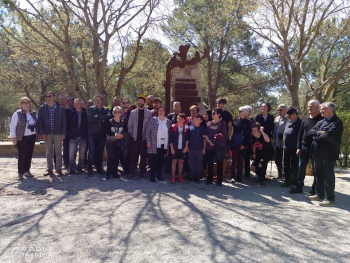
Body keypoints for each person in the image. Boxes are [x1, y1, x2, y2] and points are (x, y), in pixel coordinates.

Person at [308, 102, 343, 206]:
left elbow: (327, 137)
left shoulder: (337, 122)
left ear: (330, 110)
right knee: (318, 174)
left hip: (328, 154)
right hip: (317, 152)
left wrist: (317, 135)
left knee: (328, 176)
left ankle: (330, 199)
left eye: (323, 109)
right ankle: (320, 195)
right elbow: (310, 132)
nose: (320, 111)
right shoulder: (321, 121)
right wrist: (319, 133)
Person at [290, 100, 323, 194]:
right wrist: (298, 147)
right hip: (304, 147)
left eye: (311, 106)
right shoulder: (305, 118)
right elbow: (300, 134)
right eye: (308, 106)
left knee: (315, 169)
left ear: (317, 107)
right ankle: (299, 187)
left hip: (316, 148)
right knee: (301, 167)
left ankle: (314, 189)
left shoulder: (322, 119)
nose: (309, 108)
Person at [38, 91, 67, 177]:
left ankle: (59, 169)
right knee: (49, 152)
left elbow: (64, 122)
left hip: (58, 133)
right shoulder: (43, 108)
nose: (48, 98)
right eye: (46, 96)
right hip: (47, 133)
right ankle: (50, 169)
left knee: (58, 152)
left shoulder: (60, 107)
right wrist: (42, 133)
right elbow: (40, 122)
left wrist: (63, 133)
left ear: (54, 97)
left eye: (50, 96)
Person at [10, 97, 38, 180]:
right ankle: (21, 172)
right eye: (23, 102)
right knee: (22, 155)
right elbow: (13, 126)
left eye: (27, 102)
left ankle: (27, 170)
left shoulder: (33, 113)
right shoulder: (17, 114)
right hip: (21, 137)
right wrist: (13, 137)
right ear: (21, 104)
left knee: (29, 154)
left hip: (32, 136)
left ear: (29, 103)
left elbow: (37, 123)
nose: (25, 104)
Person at [128, 94, 152, 179]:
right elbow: (129, 125)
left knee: (143, 156)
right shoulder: (133, 112)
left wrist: (148, 137)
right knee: (133, 156)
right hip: (134, 138)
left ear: (144, 102)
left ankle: (143, 172)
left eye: (142, 101)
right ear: (137, 102)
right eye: (139, 101)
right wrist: (131, 135)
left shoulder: (149, 113)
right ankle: (132, 172)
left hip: (144, 139)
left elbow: (150, 126)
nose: (140, 102)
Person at [87, 94, 111, 176]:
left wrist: (98, 116)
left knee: (100, 151)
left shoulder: (106, 109)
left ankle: (99, 168)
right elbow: (89, 118)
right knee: (92, 151)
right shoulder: (90, 109)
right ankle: (89, 169)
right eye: (96, 100)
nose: (98, 101)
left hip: (102, 133)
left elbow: (108, 117)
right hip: (92, 133)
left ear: (102, 101)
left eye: (99, 100)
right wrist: (101, 120)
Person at [146, 105, 172, 182]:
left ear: (165, 112)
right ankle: (152, 176)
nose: (161, 112)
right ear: (157, 111)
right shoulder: (153, 120)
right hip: (154, 143)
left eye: (162, 110)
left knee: (161, 160)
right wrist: (148, 141)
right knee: (154, 160)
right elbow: (148, 131)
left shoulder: (168, 121)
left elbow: (170, 133)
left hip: (164, 144)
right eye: (159, 110)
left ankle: (159, 175)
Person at [204, 107, 228, 186]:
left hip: (218, 146)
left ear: (219, 114)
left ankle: (219, 180)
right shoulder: (209, 123)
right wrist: (209, 141)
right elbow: (206, 134)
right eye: (212, 113)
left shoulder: (222, 123)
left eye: (214, 113)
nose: (212, 115)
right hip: (210, 145)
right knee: (210, 163)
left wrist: (217, 139)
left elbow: (224, 135)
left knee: (219, 162)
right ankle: (209, 179)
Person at [280, 107, 302, 187]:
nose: (288, 117)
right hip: (286, 147)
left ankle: (294, 182)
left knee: (294, 166)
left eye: (289, 115)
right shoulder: (288, 122)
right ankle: (287, 181)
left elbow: (301, 136)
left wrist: (299, 147)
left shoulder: (300, 123)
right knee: (286, 165)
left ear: (294, 114)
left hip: (294, 148)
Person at [66, 98, 88, 175]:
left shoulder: (86, 113)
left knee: (82, 154)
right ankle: (72, 169)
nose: (76, 104)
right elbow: (67, 124)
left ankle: (80, 169)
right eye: (75, 103)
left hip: (83, 136)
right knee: (71, 154)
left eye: (78, 103)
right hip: (73, 136)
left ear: (82, 104)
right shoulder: (70, 112)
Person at [230, 106, 252, 183]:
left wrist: (244, 144)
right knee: (233, 159)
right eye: (238, 111)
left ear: (245, 113)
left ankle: (239, 176)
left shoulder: (249, 122)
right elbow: (231, 131)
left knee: (240, 160)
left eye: (240, 111)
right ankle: (232, 176)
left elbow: (249, 135)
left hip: (243, 143)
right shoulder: (234, 120)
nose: (239, 112)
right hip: (235, 142)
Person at [105, 106, 125, 180]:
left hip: (119, 142)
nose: (117, 113)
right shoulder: (109, 121)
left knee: (117, 158)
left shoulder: (123, 122)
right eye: (115, 112)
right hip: (110, 142)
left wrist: (122, 135)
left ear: (121, 113)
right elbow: (108, 132)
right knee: (111, 157)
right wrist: (116, 135)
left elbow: (125, 131)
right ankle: (108, 173)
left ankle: (114, 173)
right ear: (113, 113)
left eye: (118, 112)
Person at [169, 113, 189, 183]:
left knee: (181, 161)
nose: (179, 120)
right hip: (175, 147)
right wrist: (171, 148)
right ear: (176, 119)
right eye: (178, 118)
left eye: (181, 119)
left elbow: (187, 138)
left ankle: (180, 176)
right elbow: (170, 138)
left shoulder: (186, 127)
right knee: (174, 161)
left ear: (184, 120)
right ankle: (173, 176)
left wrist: (186, 147)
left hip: (182, 147)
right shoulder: (173, 126)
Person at [216, 99, 233, 180]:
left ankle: (222, 175)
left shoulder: (228, 114)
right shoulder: (215, 112)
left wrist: (227, 137)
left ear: (224, 104)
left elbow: (230, 127)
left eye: (219, 103)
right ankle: (217, 174)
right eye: (217, 103)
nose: (218, 104)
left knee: (224, 157)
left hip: (224, 139)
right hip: (215, 138)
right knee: (216, 156)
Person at [188, 114, 206, 183]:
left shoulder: (202, 129)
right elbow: (187, 139)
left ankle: (198, 176)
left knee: (199, 163)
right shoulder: (190, 128)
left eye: (197, 119)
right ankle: (192, 175)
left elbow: (204, 139)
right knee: (191, 163)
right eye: (195, 119)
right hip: (191, 148)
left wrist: (204, 148)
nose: (195, 121)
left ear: (201, 121)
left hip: (200, 148)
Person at [273, 104, 288, 179]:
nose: (279, 112)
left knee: (285, 160)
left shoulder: (288, 119)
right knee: (277, 159)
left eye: (281, 110)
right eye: (278, 110)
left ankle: (286, 175)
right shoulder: (277, 119)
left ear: (285, 110)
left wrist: (283, 136)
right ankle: (280, 174)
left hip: (285, 144)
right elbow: (274, 129)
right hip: (277, 143)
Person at [59, 93, 70, 169]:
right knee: (57, 149)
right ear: (59, 100)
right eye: (61, 99)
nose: (63, 100)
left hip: (66, 132)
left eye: (65, 99)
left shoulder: (68, 110)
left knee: (66, 148)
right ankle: (57, 164)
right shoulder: (55, 109)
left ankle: (66, 163)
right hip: (56, 132)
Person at [243, 105, 254, 179]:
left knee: (251, 157)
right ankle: (246, 173)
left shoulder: (252, 120)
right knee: (245, 157)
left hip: (252, 141)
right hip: (243, 141)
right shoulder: (241, 120)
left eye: (248, 111)